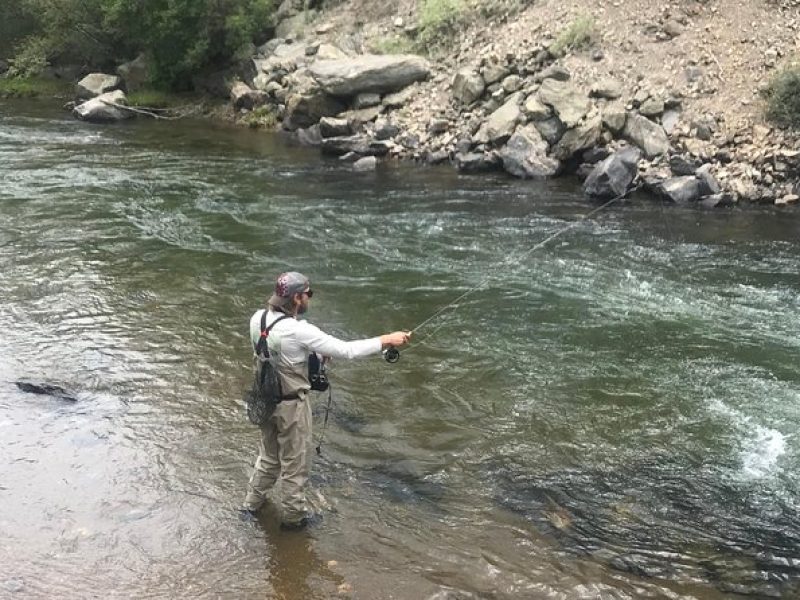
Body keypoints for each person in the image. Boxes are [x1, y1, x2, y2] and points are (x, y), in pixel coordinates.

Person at [242, 271, 410, 529]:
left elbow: (276, 354)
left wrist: (315, 358)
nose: (310, 298)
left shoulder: (258, 319)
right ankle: (293, 520)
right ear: (297, 298)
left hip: (264, 400)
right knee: (295, 466)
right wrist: (387, 339)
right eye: (308, 294)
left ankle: (251, 506)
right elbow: (347, 351)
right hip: (291, 407)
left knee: (268, 458)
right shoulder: (298, 330)